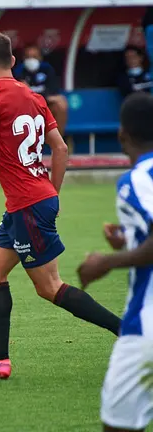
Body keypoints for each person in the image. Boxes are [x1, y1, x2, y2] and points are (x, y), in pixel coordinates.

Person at [0, 32, 120, 379]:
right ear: (12, 61)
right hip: (29, 202)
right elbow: (62, 149)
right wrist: (52, 193)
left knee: (49, 287)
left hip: (27, 205)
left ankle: (129, 333)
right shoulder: (34, 97)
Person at [78, 92, 153, 432]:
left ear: (122, 134)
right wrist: (130, 238)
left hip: (146, 326)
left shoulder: (136, 180)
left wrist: (107, 261)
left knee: (118, 425)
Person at [14, 44, 69, 137]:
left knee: (60, 104)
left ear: (40, 58)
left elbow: (53, 93)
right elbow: (19, 94)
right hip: (26, 106)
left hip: (44, 104)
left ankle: (59, 142)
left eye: (34, 57)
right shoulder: (18, 71)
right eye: (28, 57)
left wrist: (36, 94)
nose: (31, 60)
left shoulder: (47, 69)